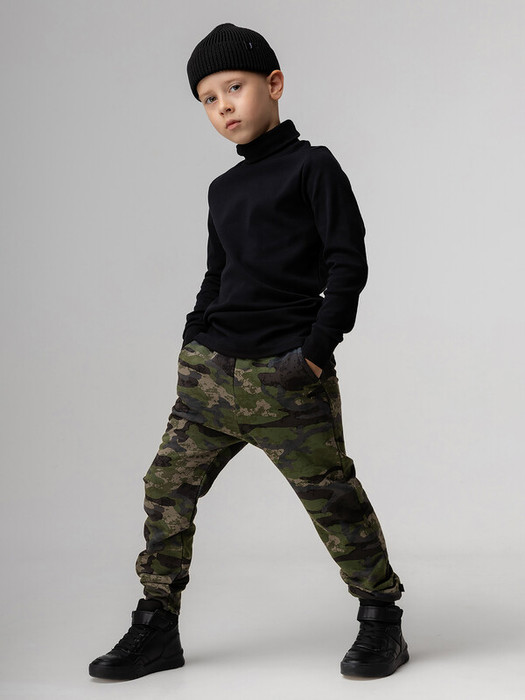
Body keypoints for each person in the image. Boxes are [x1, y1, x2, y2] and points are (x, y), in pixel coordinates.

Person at [88, 21, 409, 682]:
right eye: (208, 99)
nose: (223, 107)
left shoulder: (313, 167)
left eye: (233, 88)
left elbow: (346, 265)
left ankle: (381, 617)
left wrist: (314, 353)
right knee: (164, 489)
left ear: (274, 84)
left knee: (331, 496)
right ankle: (157, 625)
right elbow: (217, 274)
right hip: (210, 373)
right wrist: (192, 341)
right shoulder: (223, 190)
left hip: (285, 375)